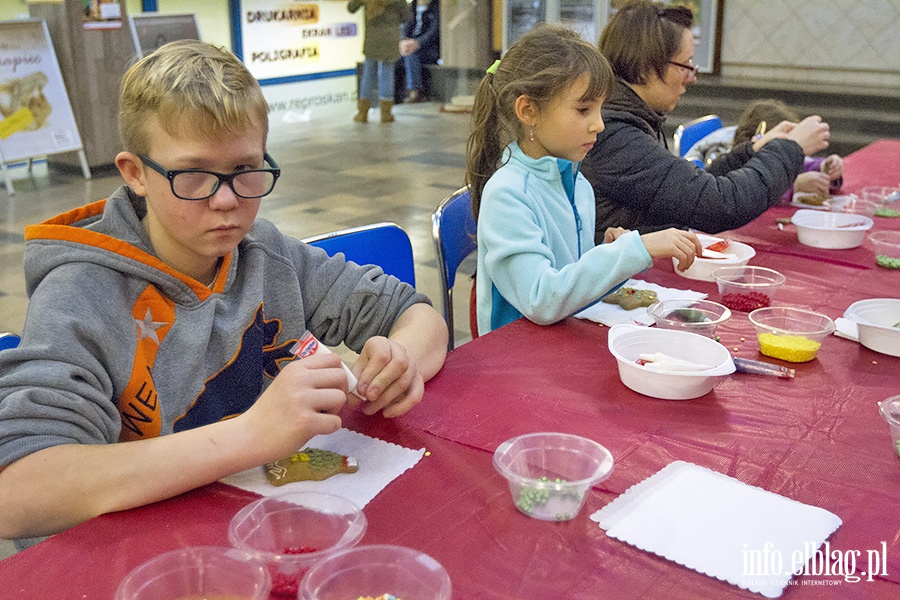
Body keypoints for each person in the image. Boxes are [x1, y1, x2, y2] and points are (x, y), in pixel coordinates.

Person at [0, 40, 448, 544]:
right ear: (135, 173)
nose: (228, 201)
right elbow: (18, 493)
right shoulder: (80, 293)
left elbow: (417, 315)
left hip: (253, 528)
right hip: (135, 552)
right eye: (194, 175)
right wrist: (251, 436)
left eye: (245, 170)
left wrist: (400, 361)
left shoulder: (263, 252)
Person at [465, 24, 701, 336]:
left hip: (557, 343)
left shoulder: (578, 183)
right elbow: (541, 299)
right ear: (528, 110)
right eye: (583, 109)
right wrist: (633, 250)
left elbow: (566, 275)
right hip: (515, 359)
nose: (599, 124)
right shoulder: (508, 193)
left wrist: (604, 252)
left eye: (600, 108)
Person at [580, 0, 832, 238]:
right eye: (686, 64)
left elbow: (690, 190)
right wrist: (791, 148)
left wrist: (755, 149)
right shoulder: (614, 134)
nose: (692, 76)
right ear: (647, 67)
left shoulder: (630, 119)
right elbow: (721, 204)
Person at [731, 99, 843, 200]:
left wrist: (826, 168)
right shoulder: (741, 168)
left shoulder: (786, 158)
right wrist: (796, 186)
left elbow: (805, 164)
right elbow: (749, 193)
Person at [349, 0, 408, 123]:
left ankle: (362, 114)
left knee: (368, 74)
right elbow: (406, 17)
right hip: (390, 38)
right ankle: (386, 114)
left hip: (372, 38)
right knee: (386, 74)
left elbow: (351, 7)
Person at [399, 0, 440, 103]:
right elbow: (404, 27)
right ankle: (393, 96)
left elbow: (434, 31)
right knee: (395, 56)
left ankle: (415, 91)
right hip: (410, 44)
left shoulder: (436, 8)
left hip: (428, 48)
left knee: (411, 55)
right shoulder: (410, 7)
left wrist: (418, 43)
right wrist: (404, 41)